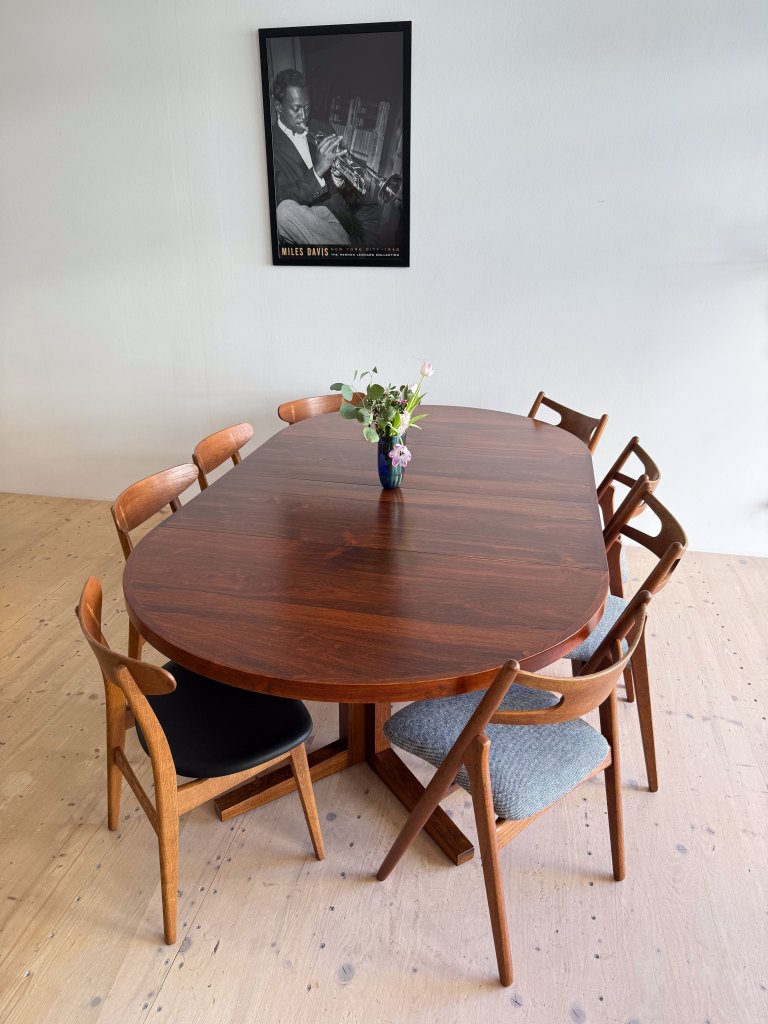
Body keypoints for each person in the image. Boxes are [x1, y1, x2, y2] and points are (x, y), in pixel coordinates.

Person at [270, 68, 400, 248]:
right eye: (296, 109)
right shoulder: (271, 145)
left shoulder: (322, 127)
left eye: (307, 107)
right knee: (283, 212)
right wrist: (318, 171)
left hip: (338, 218)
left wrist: (341, 180)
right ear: (278, 106)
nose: (304, 116)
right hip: (305, 220)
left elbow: (351, 197)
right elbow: (280, 198)